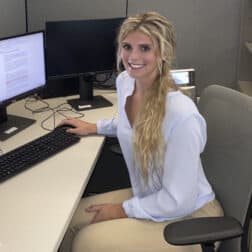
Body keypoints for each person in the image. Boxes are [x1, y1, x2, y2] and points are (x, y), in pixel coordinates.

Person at [59, 11, 223, 252]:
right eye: (127, 46)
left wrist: (121, 210)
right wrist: (95, 127)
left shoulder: (182, 116)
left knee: (87, 242)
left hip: (191, 216)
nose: (133, 56)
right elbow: (131, 123)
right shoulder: (126, 82)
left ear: (163, 53)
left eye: (145, 48)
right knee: (69, 223)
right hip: (150, 196)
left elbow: (178, 200)